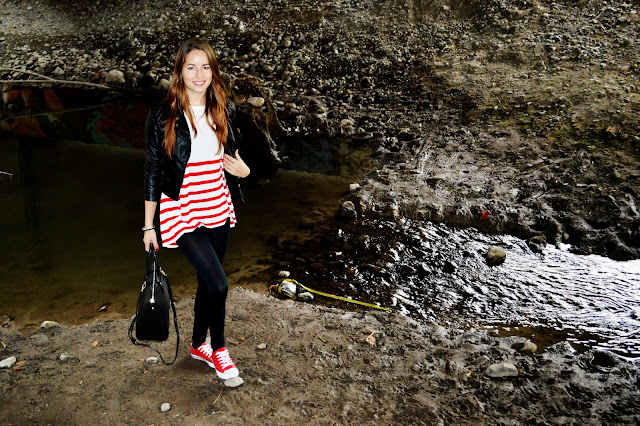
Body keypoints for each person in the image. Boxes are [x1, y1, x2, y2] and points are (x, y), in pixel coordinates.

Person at [142, 38, 250, 380]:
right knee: (219, 285)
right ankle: (219, 349)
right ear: (180, 72)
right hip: (181, 209)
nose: (199, 74)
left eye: (205, 67)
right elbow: (152, 170)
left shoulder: (224, 110)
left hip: (217, 204)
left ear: (213, 72)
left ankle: (196, 344)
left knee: (207, 282)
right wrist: (149, 226)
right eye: (191, 67)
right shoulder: (163, 115)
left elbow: (234, 158)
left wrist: (245, 172)